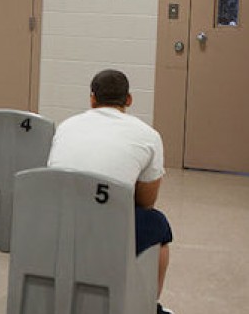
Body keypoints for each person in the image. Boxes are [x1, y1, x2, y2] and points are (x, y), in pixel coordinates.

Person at [47, 69, 173, 314]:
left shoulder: (66, 126)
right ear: (129, 100)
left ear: (92, 99)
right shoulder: (148, 136)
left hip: (57, 221)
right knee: (157, 224)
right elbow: (146, 202)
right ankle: (148, 305)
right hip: (107, 228)